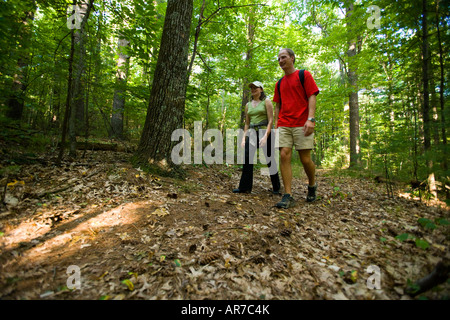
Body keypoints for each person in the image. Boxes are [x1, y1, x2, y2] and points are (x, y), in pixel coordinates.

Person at [273, 48, 320, 208]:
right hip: (285, 124)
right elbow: (277, 105)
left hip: (302, 123)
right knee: (284, 154)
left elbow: (312, 95)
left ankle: (312, 185)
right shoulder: (279, 83)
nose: (280, 61)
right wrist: (277, 125)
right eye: (279, 58)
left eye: (283, 57)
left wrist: (311, 119)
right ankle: (288, 194)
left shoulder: (304, 75)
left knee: (305, 159)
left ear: (292, 58)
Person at [233, 81, 281, 195]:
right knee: (247, 159)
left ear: (261, 89)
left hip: (265, 131)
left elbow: (270, 120)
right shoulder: (248, 105)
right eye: (252, 88)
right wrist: (244, 138)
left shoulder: (266, 101)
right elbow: (246, 123)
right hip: (252, 133)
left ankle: (276, 187)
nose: (253, 89)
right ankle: (244, 187)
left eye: (256, 87)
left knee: (270, 159)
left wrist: (265, 137)